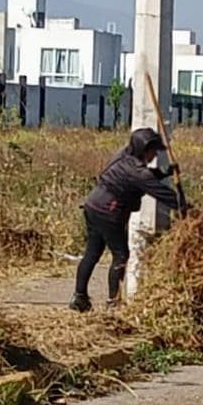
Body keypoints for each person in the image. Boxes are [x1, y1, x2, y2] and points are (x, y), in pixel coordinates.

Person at [70, 127, 185, 312]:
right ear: (143, 150)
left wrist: (164, 171)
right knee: (121, 255)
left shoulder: (123, 155)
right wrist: (187, 209)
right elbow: (163, 193)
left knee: (92, 253)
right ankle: (113, 303)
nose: (155, 154)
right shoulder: (138, 172)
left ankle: (79, 297)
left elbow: (146, 176)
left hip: (93, 205)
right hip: (109, 212)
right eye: (153, 151)